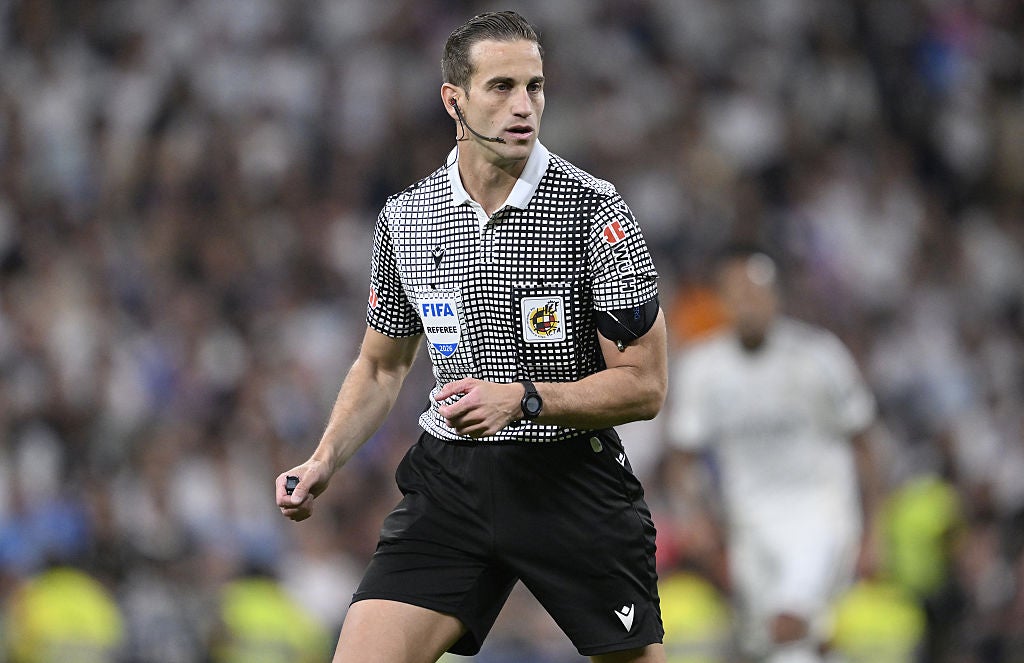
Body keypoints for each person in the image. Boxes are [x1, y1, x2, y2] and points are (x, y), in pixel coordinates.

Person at [276, 11, 668, 663]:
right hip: (451, 480)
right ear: (453, 100)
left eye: (534, 87)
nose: (523, 106)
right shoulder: (407, 217)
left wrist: (525, 398)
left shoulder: (594, 211)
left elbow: (646, 386)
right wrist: (324, 459)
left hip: (570, 475)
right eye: (501, 87)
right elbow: (380, 367)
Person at [664, 243, 882, 663]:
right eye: (735, 293)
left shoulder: (819, 356)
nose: (747, 303)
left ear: (776, 295)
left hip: (820, 514)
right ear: (720, 300)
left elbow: (864, 442)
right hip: (750, 524)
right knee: (774, 644)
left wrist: (874, 527)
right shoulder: (703, 369)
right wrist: (694, 517)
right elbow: (682, 456)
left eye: (755, 291)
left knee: (788, 624)